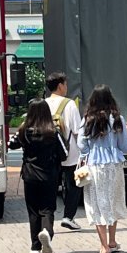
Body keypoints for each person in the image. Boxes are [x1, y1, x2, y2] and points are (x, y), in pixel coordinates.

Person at [77, 85, 127, 253]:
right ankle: (112, 240)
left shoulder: (88, 119)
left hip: (95, 166)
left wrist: (89, 150)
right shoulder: (118, 118)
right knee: (113, 200)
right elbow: (125, 147)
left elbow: (81, 144)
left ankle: (104, 247)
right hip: (114, 166)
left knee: (97, 204)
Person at [8, 99, 68, 253]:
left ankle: (35, 247)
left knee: (33, 210)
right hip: (49, 176)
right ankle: (47, 232)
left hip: (30, 175)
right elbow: (65, 154)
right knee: (47, 209)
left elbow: (11, 144)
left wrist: (22, 127)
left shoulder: (24, 131)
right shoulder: (53, 132)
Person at [45, 72, 83, 231]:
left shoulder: (43, 103)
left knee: (51, 187)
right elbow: (77, 130)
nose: (66, 87)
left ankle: (48, 219)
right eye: (65, 84)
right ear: (60, 85)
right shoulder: (69, 104)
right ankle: (68, 217)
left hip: (49, 154)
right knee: (73, 186)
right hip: (70, 154)